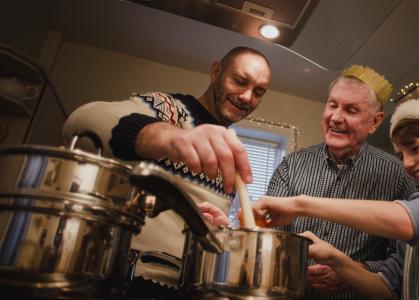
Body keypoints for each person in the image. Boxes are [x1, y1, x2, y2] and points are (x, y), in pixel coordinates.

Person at [254, 98, 419, 300]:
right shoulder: (416, 203)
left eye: (415, 149)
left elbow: (415, 221)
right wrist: (334, 258)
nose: (408, 164)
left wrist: (300, 205)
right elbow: (387, 289)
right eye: (402, 155)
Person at [62, 46, 271, 283]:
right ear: (216, 72)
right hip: (128, 280)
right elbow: (80, 121)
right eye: (240, 81)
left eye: (259, 92)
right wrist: (170, 138)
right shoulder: (167, 111)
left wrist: (220, 233)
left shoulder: (230, 153)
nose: (246, 97)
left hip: (189, 287)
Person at [265, 65, 416, 299]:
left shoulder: (397, 174)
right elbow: (270, 238)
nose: (336, 117)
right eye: (332, 105)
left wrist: (355, 271)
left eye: (351, 110)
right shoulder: (291, 166)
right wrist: (296, 269)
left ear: (375, 122)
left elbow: (408, 259)